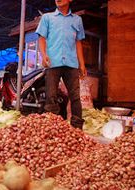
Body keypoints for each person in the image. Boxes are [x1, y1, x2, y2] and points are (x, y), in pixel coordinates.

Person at [36, 0, 87, 128]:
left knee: (75, 97)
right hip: (53, 62)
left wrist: (82, 64)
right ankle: (52, 128)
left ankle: (77, 129)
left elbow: (78, 43)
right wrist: (43, 55)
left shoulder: (77, 20)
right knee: (51, 96)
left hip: (71, 63)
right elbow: (41, 38)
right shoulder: (47, 18)